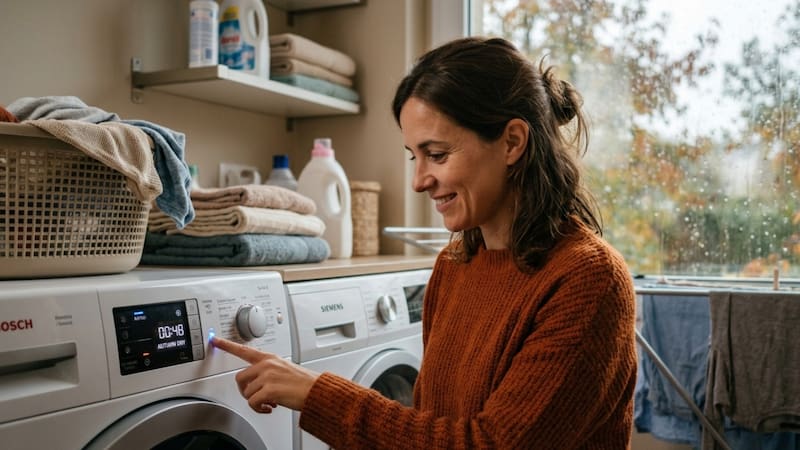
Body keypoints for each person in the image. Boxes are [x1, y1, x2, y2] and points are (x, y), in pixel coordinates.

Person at [212, 36, 637, 449]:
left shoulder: (589, 279)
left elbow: (489, 443)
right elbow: (432, 427)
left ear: (512, 142)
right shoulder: (455, 265)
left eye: (436, 154)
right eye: (414, 156)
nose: (418, 181)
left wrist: (316, 393)